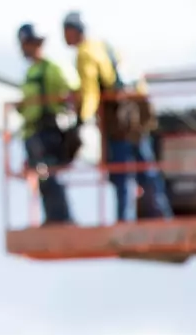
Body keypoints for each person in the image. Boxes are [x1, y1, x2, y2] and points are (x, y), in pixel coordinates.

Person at [62, 10, 172, 222]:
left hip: (118, 119)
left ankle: (124, 219)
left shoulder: (85, 53)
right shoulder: (103, 46)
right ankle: (161, 215)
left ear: (73, 31)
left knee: (121, 171)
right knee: (145, 166)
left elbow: (90, 92)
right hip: (134, 114)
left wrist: (81, 120)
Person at [16, 23, 74, 225]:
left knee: (49, 175)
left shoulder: (50, 68)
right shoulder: (32, 72)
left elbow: (70, 91)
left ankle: (61, 219)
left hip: (47, 131)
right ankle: (53, 218)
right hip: (33, 133)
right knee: (43, 178)